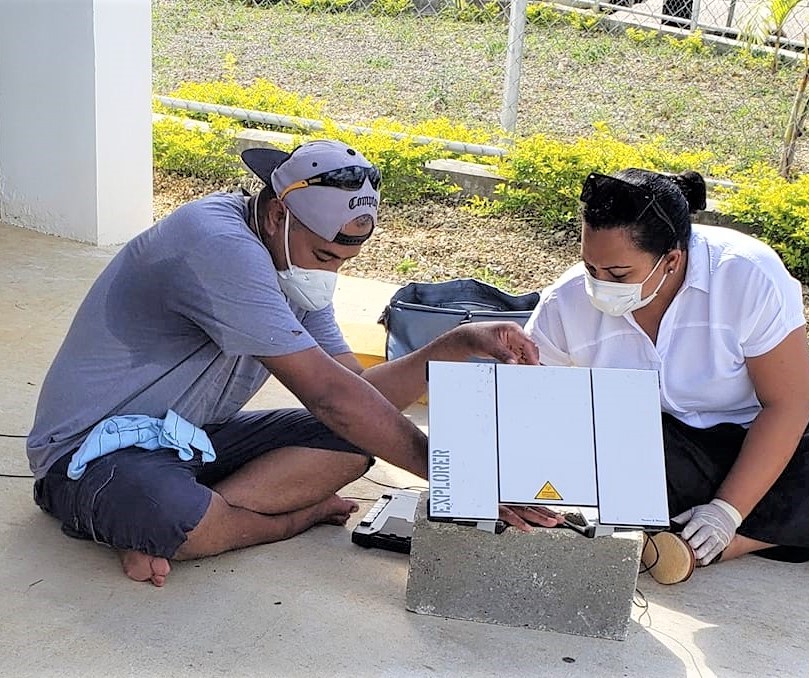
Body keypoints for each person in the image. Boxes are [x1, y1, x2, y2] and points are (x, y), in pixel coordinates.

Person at [27, 139, 560, 587]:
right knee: (170, 513)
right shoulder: (217, 245)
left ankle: (189, 524)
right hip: (91, 452)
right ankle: (249, 520)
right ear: (280, 212)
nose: (329, 272)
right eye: (326, 256)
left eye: (344, 260)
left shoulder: (291, 263)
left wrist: (454, 344)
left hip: (188, 435)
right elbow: (331, 398)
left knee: (357, 441)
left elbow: (356, 391)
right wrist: (458, 478)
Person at [526, 167, 809, 585]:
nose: (598, 284)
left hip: (759, 430)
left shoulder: (747, 274)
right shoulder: (567, 300)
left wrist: (726, 511)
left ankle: (720, 544)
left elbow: (790, 404)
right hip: (663, 444)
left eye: (618, 275)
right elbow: (531, 403)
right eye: (590, 266)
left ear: (672, 260)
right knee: (595, 462)